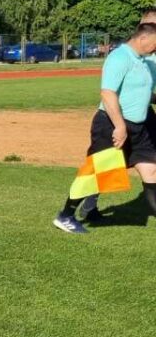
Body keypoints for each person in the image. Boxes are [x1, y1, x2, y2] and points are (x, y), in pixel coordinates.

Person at [54, 22, 156, 234]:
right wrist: (119, 126)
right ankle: (65, 215)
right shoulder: (120, 57)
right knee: (97, 173)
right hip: (111, 124)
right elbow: (107, 93)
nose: (155, 48)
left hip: (138, 128)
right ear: (142, 38)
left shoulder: (143, 61)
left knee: (151, 169)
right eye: (155, 44)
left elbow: (139, 93)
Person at [78, 7, 156, 222]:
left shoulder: (151, 56)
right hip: (121, 116)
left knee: (149, 162)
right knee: (109, 162)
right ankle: (87, 202)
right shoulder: (131, 56)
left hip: (144, 115)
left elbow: (148, 94)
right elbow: (112, 91)